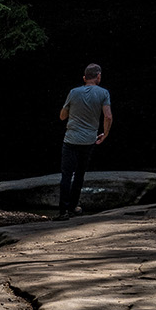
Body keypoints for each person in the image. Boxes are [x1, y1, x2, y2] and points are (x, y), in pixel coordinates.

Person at [54, 62, 113, 216]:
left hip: (71, 139)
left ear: (84, 78)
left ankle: (62, 211)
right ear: (98, 76)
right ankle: (73, 207)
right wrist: (105, 134)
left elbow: (62, 116)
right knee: (79, 174)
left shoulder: (73, 92)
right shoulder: (103, 93)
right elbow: (108, 116)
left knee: (66, 175)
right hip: (88, 141)